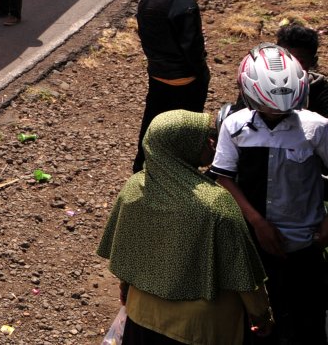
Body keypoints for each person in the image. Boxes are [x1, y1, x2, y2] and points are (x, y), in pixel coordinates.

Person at [98, 110, 272, 345]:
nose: (212, 141)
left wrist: (126, 287)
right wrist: (261, 314)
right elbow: (242, 272)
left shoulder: (135, 188)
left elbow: (130, 250)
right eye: (201, 137)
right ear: (180, 146)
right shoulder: (214, 204)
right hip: (198, 330)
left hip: (141, 317)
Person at [211, 44, 328, 345]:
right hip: (252, 244)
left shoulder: (316, 129)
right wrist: (257, 222)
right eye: (269, 107)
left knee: (307, 318)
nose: (276, 112)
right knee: (259, 319)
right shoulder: (235, 127)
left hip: (306, 242)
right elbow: (223, 176)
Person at [132, 0, 211, 173]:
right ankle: (182, 172)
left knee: (151, 125)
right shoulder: (186, 5)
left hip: (157, 76)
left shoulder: (146, 2)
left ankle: (141, 169)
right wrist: (203, 74)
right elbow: (192, 48)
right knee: (188, 131)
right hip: (186, 82)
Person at [275, 23, 328, 117]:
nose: (290, 68)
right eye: (285, 60)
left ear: (313, 61)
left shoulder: (322, 92)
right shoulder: (257, 86)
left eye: (300, 62)